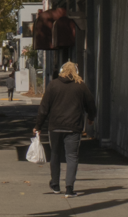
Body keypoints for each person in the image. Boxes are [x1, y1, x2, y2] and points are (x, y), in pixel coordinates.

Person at [34, 61, 96, 198]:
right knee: (72, 156)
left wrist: (38, 125)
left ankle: (55, 184)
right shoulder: (80, 85)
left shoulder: (53, 85)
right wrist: (91, 117)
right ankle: (69, 188)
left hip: (55, 126)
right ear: (76, 71)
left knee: (55, 154)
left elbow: (44, 107)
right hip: (73, 127)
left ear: (62, 70)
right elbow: (91, 103)